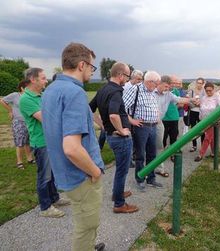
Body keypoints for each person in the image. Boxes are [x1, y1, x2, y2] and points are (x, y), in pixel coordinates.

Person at [41, 43, 105, 251]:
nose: (91, 72)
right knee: (87, 226)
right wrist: (94, 171)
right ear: (81, 65)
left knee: (85, 224)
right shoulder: (74, 93)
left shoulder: (51, 89)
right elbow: (71, 148)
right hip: (81, 176)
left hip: (64, 172)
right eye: (91, 67)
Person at [19, 68, 69, 218]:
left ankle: (55, 198)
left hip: (50, 140)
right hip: (41, 142)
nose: (46, 81)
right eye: (42, 78)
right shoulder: (26, 99)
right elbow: (47, 118)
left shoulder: (41, 95)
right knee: (44, 176)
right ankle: (45, 207)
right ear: (33, 80)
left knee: (52, 173)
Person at [90, 62, 138, 214]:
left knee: (120, 169)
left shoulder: (103, 89)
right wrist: (121, 131)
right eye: (128, 76)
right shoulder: (116, 91)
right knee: (122, 170)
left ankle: (117, 193)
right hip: (120, 138)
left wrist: (103, 125)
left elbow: (89, 110)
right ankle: (119, 204)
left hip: (111, 136)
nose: (128, 79)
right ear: (120, 75)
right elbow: (113, 114)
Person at [123, 71, 163, 191]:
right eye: (156, 84)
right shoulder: (135, 90)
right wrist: (132, 121)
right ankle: (140, 178)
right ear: (149, 82)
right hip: (141, 127)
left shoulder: (152, 91)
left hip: (153, 126)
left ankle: (151, 178)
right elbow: (122, 107)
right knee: (140, 154)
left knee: (152, 154)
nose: (156, 87)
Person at [154, 75, 194, 177]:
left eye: (169, 87)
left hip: (158, 123)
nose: (168, 89)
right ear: (159, 83)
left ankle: (158, 168)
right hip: (148, 123)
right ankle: (144, 169)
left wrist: (192, 100)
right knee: (149, 147)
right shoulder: (151, 93)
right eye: (166, 87)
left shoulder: (168, 94)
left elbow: (180, 99)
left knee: (159, 146)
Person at [0, 80, 35, 169]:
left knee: (28, 141)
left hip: (29, 122)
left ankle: (29, 158)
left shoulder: (30, 96)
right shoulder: (15, 95)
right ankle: (19, 162)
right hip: (18, 122)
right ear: (22, 88)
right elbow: (2, 101)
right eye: (28, 87)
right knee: (20, 142)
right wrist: (10, 110)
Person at [194, 82, 219, 161]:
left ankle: (201, 154)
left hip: (213, 121)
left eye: (210, 90)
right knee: (211, 137)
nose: (208, 92)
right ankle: (213, 152)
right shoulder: (203, 98)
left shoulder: (217, 98)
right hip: (203, 120)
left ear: (213, 89)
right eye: (207, 91)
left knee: (207, 138)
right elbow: (201, 108)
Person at [162, 75, 180, 152]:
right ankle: (162, 154)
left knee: (173, 137)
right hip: (163, 118)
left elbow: (179, 102)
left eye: (175, 83)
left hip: (174, 118)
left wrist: (173, 108)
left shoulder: (176, 91)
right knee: (163, 137)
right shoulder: (162, 90)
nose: (173, 84)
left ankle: (172, 153)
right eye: (172, 82)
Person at [187, 77, 205, 152]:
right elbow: (188, 101)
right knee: (193, 129)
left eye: (201, 83)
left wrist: (200, 104)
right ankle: (194, 146)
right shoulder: (191, 91)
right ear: (196, 83)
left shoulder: (204, 92)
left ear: (203, 84)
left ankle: (202, 146)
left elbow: (205, 101)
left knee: (202, 129)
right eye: (198, 83)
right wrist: (195, 104)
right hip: (193, 112)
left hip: (201, 112)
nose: (199, 84)